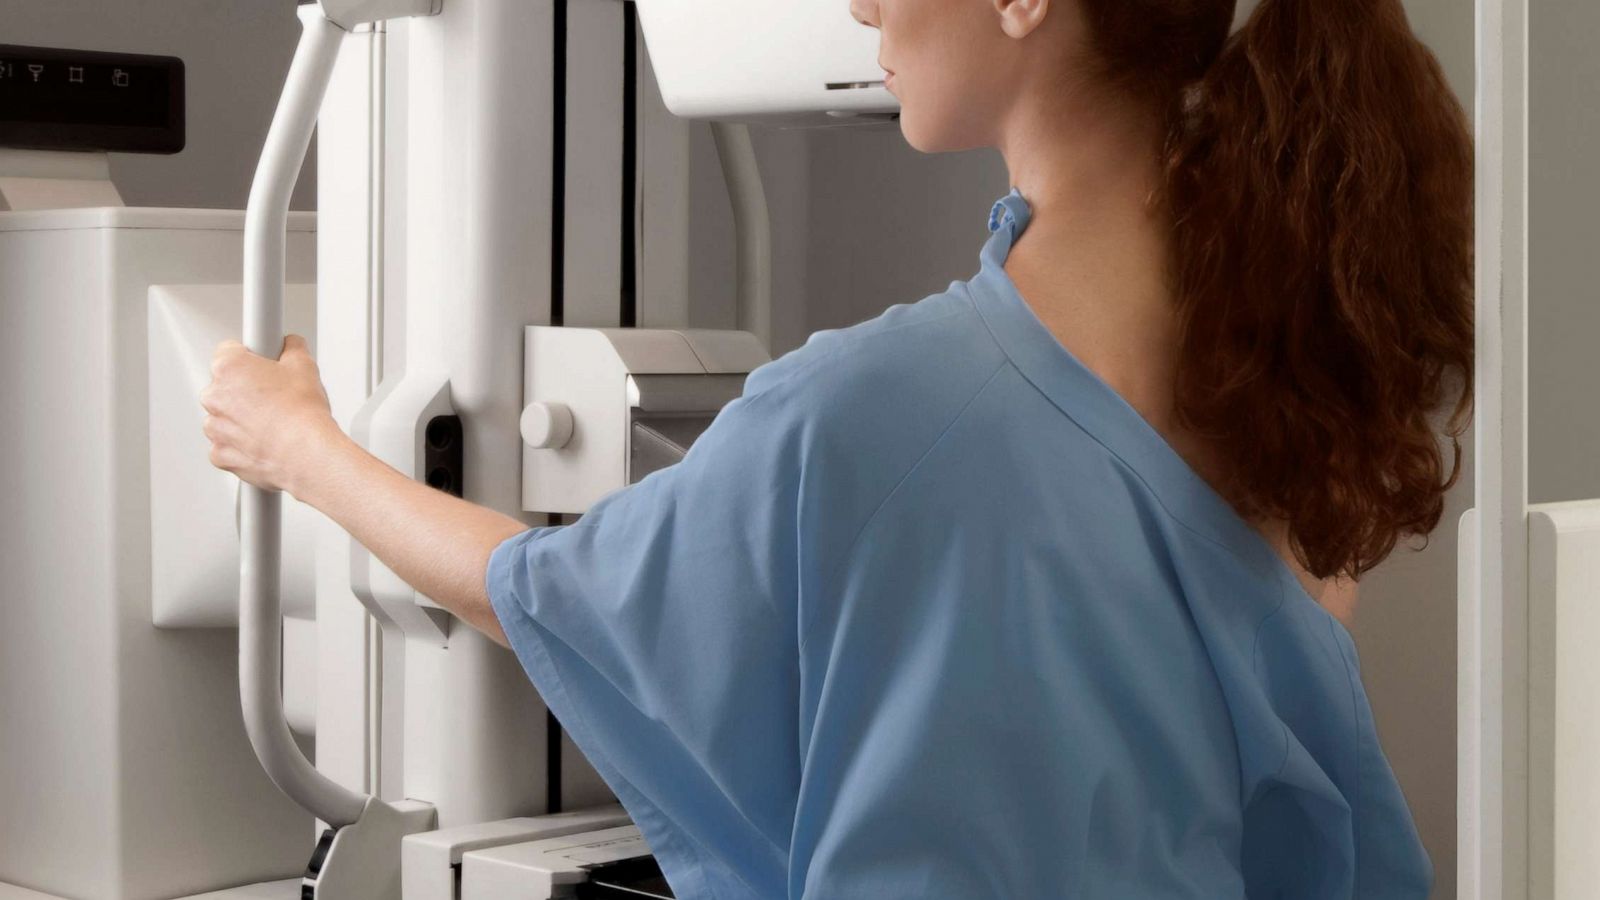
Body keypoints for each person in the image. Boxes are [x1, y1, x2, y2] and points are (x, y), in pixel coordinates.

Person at [201, 0, 1472, 895]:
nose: (861, 5)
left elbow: (540, 590)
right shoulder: (1283, 402)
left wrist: (300, 446)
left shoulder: (869, 413)